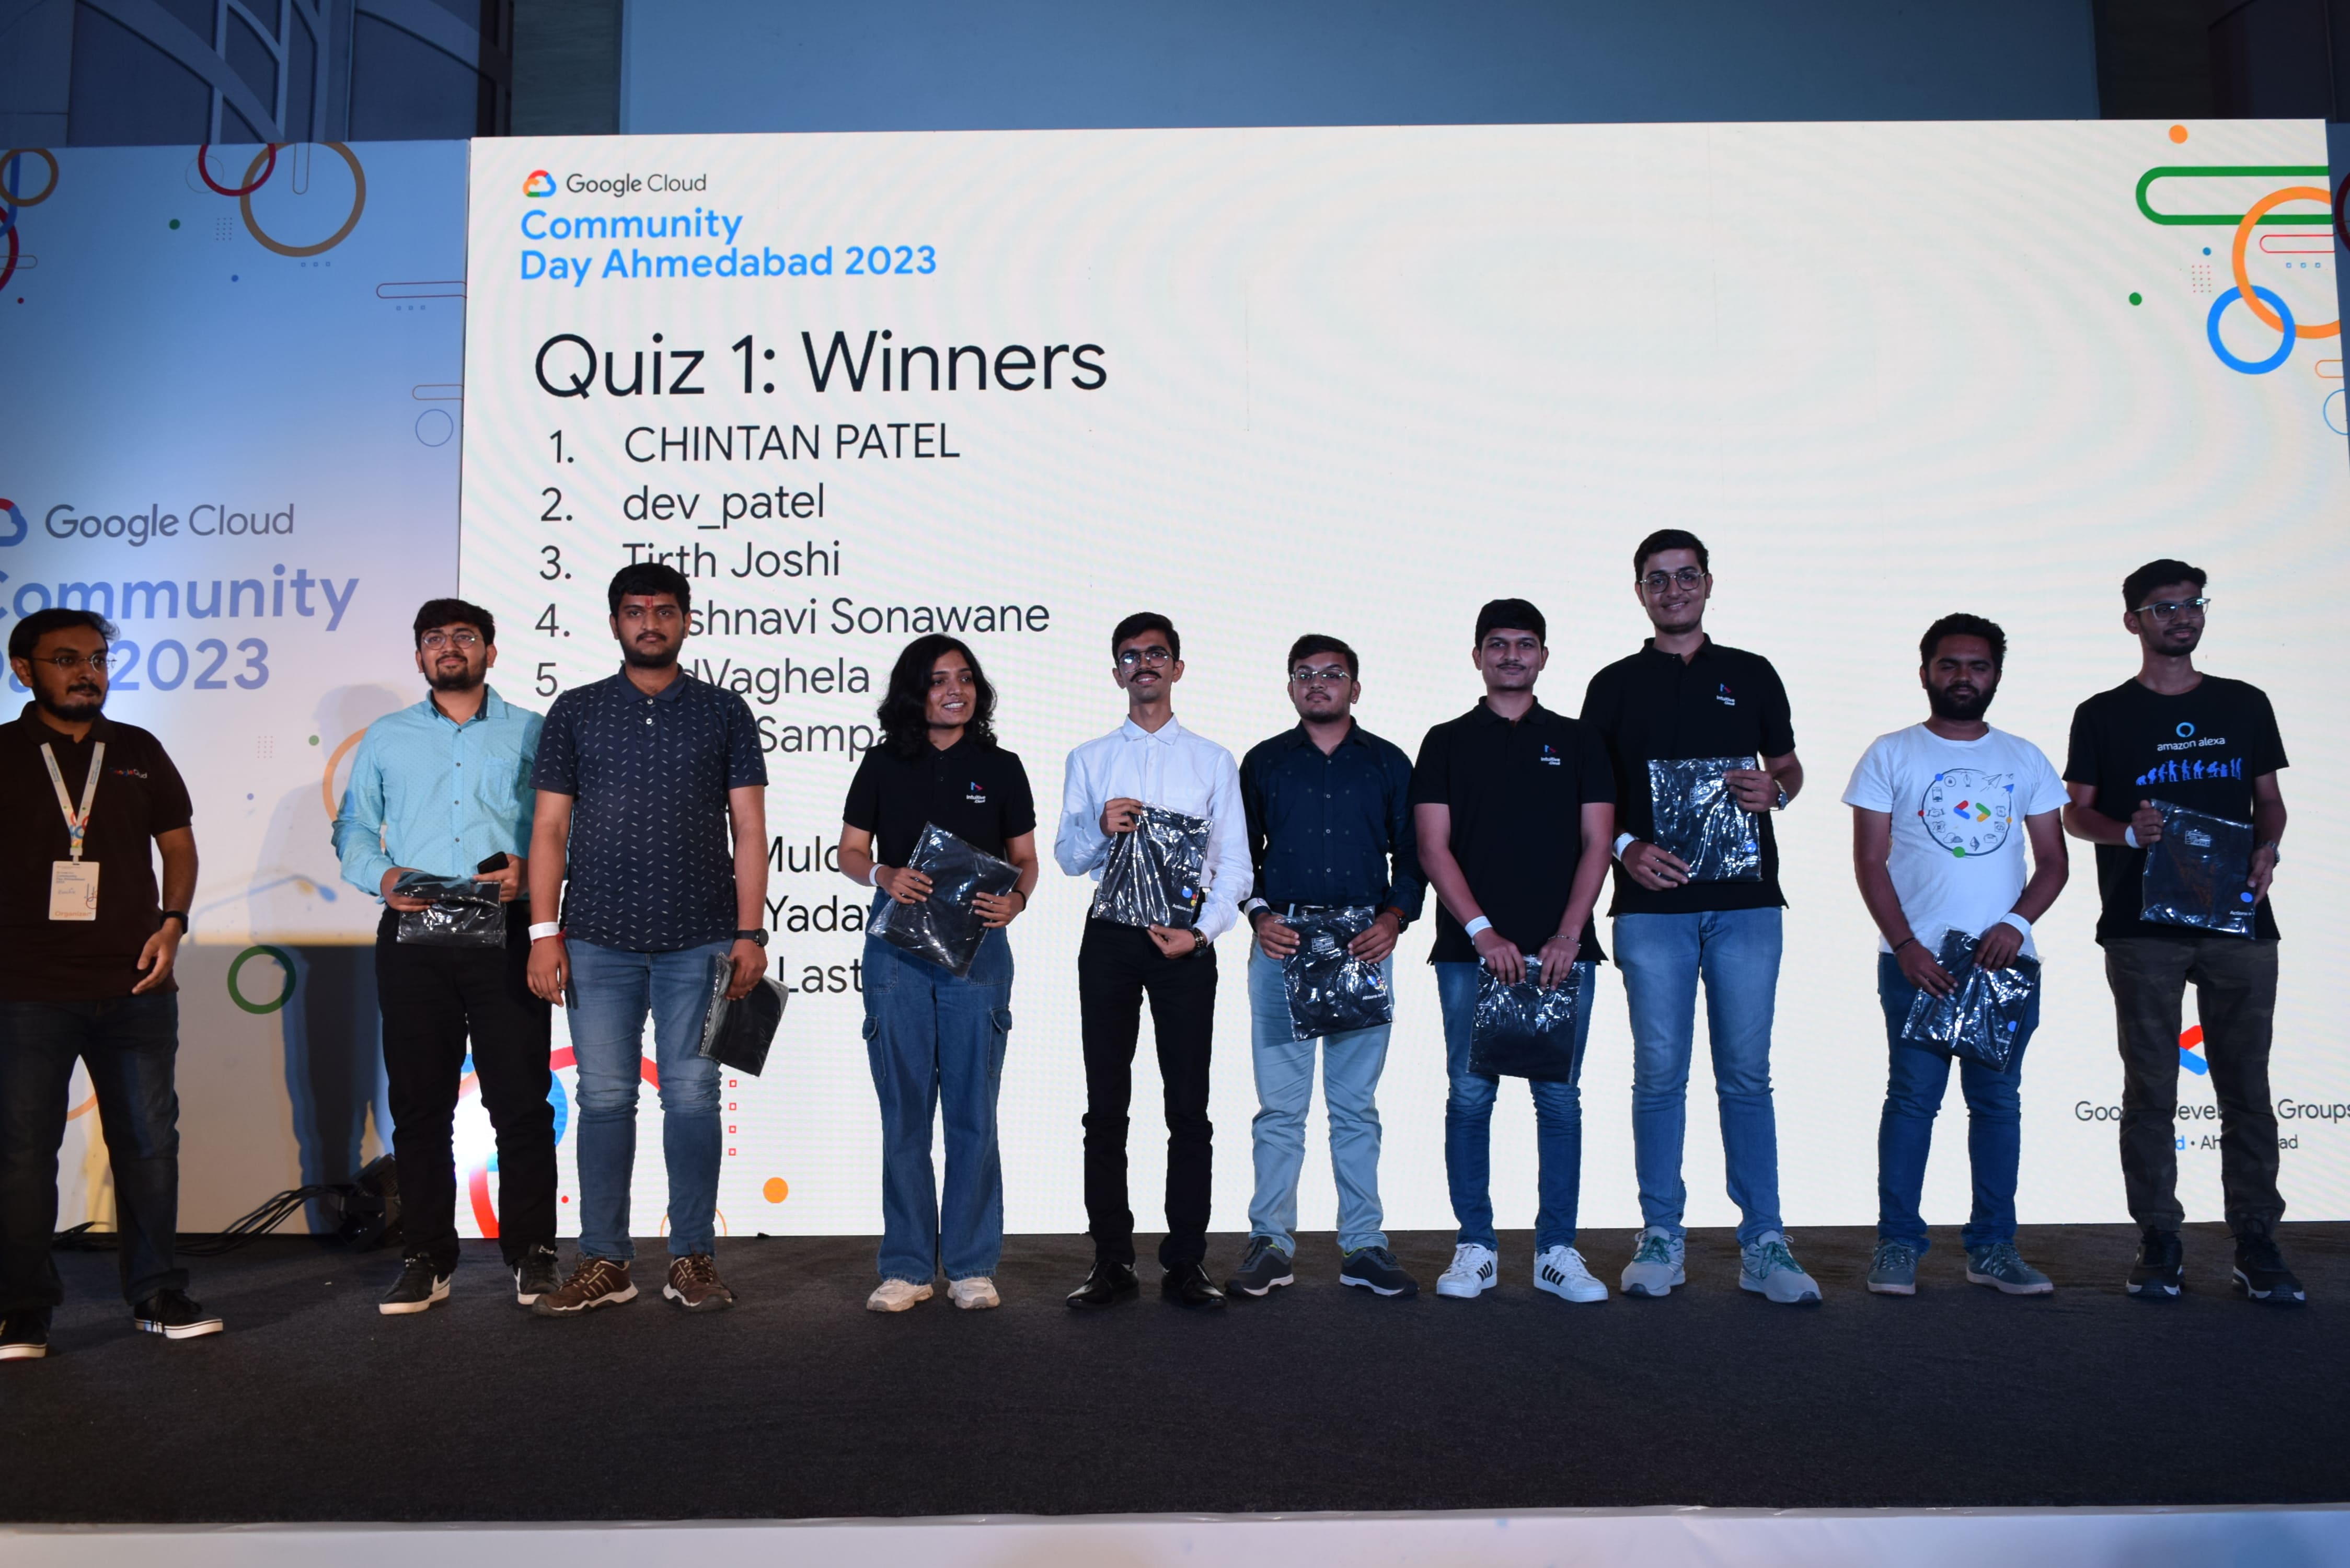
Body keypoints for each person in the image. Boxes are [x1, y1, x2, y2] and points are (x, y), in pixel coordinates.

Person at [524, 562, 769, 1316]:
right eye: (636, 611)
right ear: (615, 623)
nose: (650, 623)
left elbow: (750, 828)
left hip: (702, 938)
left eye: (664, 611)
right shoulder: (577, 710)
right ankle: (605, 1261)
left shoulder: (724, 711)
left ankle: (692, 1257)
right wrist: (543, 932)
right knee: (602, 1099)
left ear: (686, 620)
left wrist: (750, 932)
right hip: (597, 938)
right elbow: (549, 828)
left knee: (693, 1098)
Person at [1582, 530, 1818, 1304]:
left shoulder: (1751, 673)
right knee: (1659, 1075)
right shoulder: (1613, 685)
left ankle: (1765, 1241)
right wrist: (1625, 849)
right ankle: (1661, 1233)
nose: (1673, 590)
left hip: (1746, 905)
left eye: (1686, 576)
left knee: (1746, 1075)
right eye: (1657, 579)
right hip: (1651, 909)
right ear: (1640, 592)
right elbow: (1590, 797)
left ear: (1708, 584)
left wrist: (1777, 792)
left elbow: (1787, 765)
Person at [2061, 561, 2299, 1305]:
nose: (2181, 617)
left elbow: (2269, 801)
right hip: (2142, 927)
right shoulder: (2102, 713)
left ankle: (2255, 1239)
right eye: (2163, 608)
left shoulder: (2244, 703)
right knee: (2150, 1089)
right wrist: (2127, 834)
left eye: (2192, 604)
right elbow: (2075, 815)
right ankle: (2159, 1237)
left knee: (2247, 1088)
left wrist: (2268, 847)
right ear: (2133, 621)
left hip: (2238, 920)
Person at [1, 608, 216, 1360]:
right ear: (24, 669)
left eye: (96, 660)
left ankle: (157, 1293)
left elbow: (179, 848)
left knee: (150, 1144)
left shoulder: (138, 750)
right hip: (25, 988)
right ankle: (22, 1308)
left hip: (136, 984)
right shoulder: (3, 753)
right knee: (22, 1152)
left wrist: (173, 923)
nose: (87, 673)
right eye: (66, 660)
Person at [332, 598, 556, 1315]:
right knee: (419, 1104)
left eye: (464, 636)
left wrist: (534, 874)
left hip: (507, 930)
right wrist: (382, 876)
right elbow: (354, 826)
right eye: (434, 638)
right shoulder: (388, 737)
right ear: (419, 655)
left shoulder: (534, 731)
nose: (449, 647)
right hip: (414, 931)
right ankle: (426, 1256)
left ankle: (534, 1253)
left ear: (491, 650)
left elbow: (565, 826)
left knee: (520, 1102)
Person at [1845, 613, 2069, 1297]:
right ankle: (1897, 1246)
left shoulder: (2024, 758)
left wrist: (2015, 924)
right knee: (1912, 1101)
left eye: (1977, 666)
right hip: (1917, 963)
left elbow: (2054, 862)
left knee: (1996, 1104)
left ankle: (1993, 1249)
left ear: (1995, 675)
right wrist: (1905, 946)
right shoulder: (1891, 753)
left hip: (2003, 963)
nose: (1963, 677)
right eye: (1949, 665)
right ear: (1925, 673)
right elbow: (1870, 861)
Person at [1411, 599, 1616, 1305]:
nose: (1510, 655)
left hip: (1563, 953)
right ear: (1477, 657)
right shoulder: (1445, 742)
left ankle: (1556, 1251)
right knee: (1471, 1096)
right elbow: (1431, 847)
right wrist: (1482, 931)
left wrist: (1567, 934)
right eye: (1496, 644)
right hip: (1470, 952)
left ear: (1543, 657)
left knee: (1558, 1099)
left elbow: (1598, 843)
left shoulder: (1579, 741)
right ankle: (1476, 1247)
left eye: (1524, 644)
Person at [1055, 613, 1250, 1309]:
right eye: (1131, 656)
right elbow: (1067, 859)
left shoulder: (1212, 761)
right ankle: (1112, 1261)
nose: (1144, 664)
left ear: (1177, 668)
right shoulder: (1088, 759)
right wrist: (1096, 826)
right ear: (1117, 673)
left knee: (1188, 1107)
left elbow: (1234, 867)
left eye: (1157, 654)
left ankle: (1186, 1262)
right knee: (1105, 1106)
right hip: (1110, 937)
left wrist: (1202, 933)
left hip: (1183, 942)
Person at [840, 635, 1039, 1312]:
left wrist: (1018, 899)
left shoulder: (1001, 767)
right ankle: (906, 1268)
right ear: (913, 692)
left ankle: (972, 1265)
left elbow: (1025, 859)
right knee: (904, 1114)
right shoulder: (882, 763)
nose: (955, 690)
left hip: (978, 951)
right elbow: (849, 850)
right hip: (896, 951)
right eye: (937, 680)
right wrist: (882, 874)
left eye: (965, 678)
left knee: (972, 1113)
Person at [1228, 635, 1423, 1301]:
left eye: (1332, 674)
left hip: (1362, 945)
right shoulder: (1263, 763)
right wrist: (1257, 916)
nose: (1318, 683)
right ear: (1290, 687)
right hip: (1280, 943)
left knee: (1355, 1109)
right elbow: (1238, 856)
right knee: (1279, 1111)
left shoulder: (1387, 763)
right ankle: (1270, 1244)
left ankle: (1363, 1246)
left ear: (1354, 688)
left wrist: (1393, 919)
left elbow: (1412, 855)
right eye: (1304, 674)